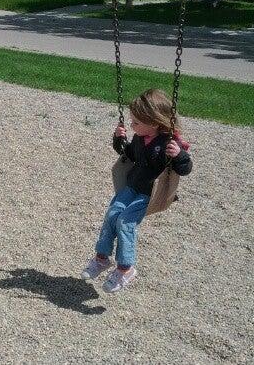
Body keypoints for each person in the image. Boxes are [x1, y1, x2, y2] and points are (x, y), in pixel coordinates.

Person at [81, 89, 192, 293]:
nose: (132, 126)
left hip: (149, 194)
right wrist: (119, 140)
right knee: (112, 213)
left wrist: (178, 155)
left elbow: (184, 169)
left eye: (136, 123)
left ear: (155, 123)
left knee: (125, 221)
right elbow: (129, 155)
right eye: (131, 122)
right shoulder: (140, 138)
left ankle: (126, 268)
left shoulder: (167, 143)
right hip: (132, 186)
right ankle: (101, 258)